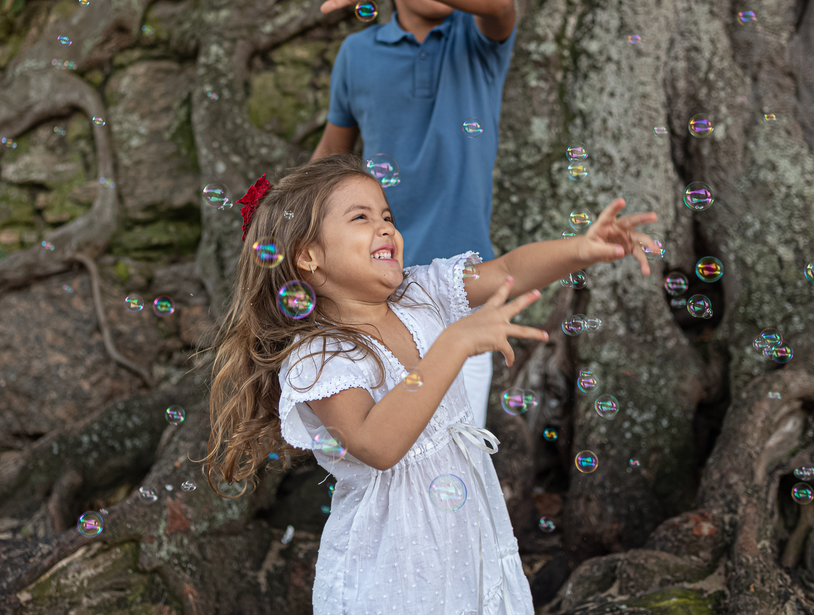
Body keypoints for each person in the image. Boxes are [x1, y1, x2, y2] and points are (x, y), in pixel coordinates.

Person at [203, 154, 656, 615]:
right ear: (307, 255)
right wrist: (453, 344)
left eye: (387, 216)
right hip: (392, 563)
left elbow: (505, 272)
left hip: (463, 533)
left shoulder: (421, 292)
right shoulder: (320, 357)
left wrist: (582, 248)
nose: (385, 228)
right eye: (360, 217)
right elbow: (377, 445)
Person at [288, 0, 517, 428]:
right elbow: (332, 156)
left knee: (457, 441)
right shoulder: (357, 54)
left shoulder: (477, 39)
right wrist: (284, 217)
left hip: (462, 289)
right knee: (382, 443)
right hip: (371, 290)